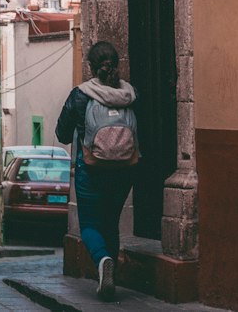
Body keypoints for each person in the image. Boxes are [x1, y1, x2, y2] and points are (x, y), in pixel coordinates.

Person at [55, 41, 139, 302]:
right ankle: (109, 278)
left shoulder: (80, 95)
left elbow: (62, 133)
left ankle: (102, 260)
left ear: (92, 66)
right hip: (124, 170)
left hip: (90, 168)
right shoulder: (130, 94)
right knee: (110, 222)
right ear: (116, 65)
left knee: (90, 224)